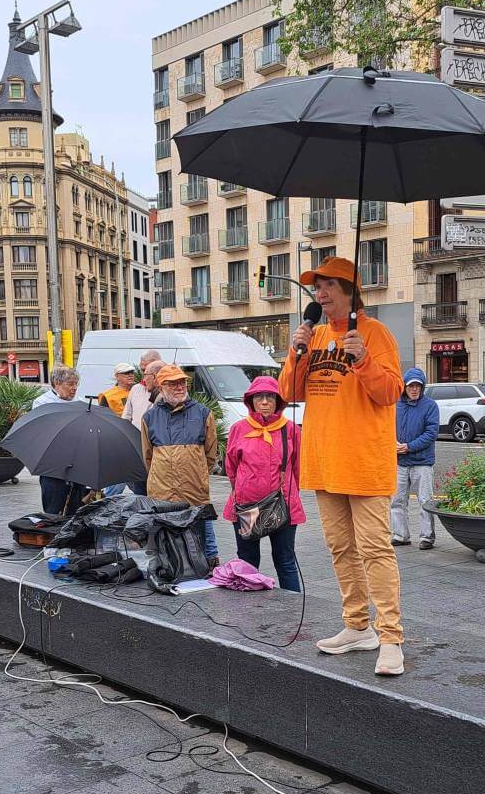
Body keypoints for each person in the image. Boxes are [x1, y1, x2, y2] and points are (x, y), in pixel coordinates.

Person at [279, 257, 405, 677]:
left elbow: (390, 393)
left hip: (364, 461)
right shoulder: (311, 337)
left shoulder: (375, 333)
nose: (321, 294)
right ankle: (357, 626)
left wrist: (364, 359)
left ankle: (390, 637)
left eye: (330, 285)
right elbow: (288, 393)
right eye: (317, 287)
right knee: (340, 549)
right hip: (323, 459)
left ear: (351, 291)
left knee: (375, 550)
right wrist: (295, 352)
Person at [223, 376, 304, 591]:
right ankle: (251, 611)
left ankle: (293, 607)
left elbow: (298, 468)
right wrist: (243, 489)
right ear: (251, 401)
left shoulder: (291, 429)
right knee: (247, 561)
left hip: (283, 505)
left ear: (279, 401)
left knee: (285, 560)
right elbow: (231, 467)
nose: (265, 402)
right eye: (259, 397)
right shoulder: (239, 428)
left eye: (270, 397)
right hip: (247, 506)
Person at [141, 364, 219, 568]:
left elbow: (210, 454)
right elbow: (148, 456)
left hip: (194, 492)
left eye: (182, 382)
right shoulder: (149, 417)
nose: (180, 387)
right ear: (161, 386)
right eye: (173, 383)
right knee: (166, 545)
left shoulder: (203, 413)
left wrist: (197, 473)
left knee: (197, 545)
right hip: (162, 493)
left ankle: (201, 574)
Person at [390, 368, 439, 550]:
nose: (414, 389)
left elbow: (431, 433)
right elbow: (387, 427)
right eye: (411, 386)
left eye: (418, 386)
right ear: (405, 386)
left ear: (422, 387)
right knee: (397, 500)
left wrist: (408, 446)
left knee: (425, 501)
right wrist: (392, 442)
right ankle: (400, 535)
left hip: (422, 462)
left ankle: (427, 537)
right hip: (399, 462)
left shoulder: (430, 406)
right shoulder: (396, 405)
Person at [33, 365, 85, 515]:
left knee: (76, 503)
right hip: (52, 461)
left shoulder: (79, 402)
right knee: (53, 503)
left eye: (76, 383)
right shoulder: (42, 403)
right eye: (70, 384)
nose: (74, 388)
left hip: (76, 459)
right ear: (57, 383)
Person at [121, 360, 166, 496]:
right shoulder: (137, 389)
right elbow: (126, 416)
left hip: (155, 456)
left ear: (155, 376)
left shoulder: (164, 398)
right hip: (138, 447)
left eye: (145, 373)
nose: (143, 377)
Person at [124, 350, 162, 421]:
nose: (144, 374)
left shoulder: (170, 392)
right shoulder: (135, 389)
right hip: (134, 432)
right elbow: (126, 417)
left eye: (146, 370)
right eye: (142, 370)